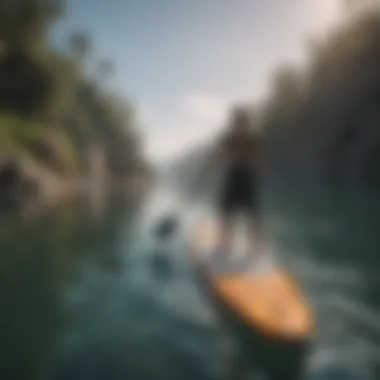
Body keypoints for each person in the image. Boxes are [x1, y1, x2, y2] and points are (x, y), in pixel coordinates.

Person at [201, 106, 263, 259]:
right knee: (244, 213)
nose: (240, 125)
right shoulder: (248, 138)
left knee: (235, 212)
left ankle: (229, 247)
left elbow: (218, 156)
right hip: (245, 176)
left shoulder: (239, 138)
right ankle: (249, 248)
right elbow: (258, 160)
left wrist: (208, 170)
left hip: (240, 176)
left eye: (239, 122)